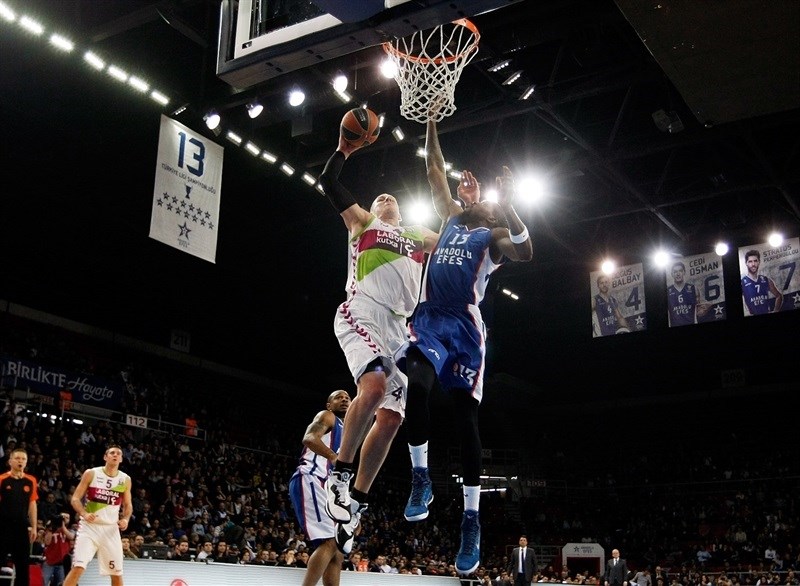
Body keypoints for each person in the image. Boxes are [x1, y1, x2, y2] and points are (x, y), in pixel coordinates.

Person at [399, 115, 533, 576]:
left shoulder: (492, 237)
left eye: (487, 203)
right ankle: (420, 476)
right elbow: (435, 168)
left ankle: (471, 518)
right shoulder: (453, 217)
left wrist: (511, 206)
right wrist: (433, 118)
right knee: (415, 385)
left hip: (466, 331)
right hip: (431, 319)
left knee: (464, 417)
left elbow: (526, 249)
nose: (475, 197)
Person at [317, 129, 439, 550]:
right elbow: (328, 184)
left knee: (391, 418)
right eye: (378, 197)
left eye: (391, 197)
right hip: (361, 311)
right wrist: (344, 149)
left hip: (400, 330)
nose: (385, 197)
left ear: (402, 209)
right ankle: (338, 474)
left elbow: (460, 245)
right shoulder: (362, 223)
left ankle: (356, 503)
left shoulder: (419, 235)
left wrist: (477, 214)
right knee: (371, 386)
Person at [288, 389, 351, 586]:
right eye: (338, 397)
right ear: (329, 405)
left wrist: (350, 507)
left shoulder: (349, 430)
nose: (344, 400)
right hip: (312, 477)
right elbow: (309, 438)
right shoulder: (327, 416)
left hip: (329, 487)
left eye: (348, 398)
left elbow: (343, 474)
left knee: (338, 551)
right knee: (329, 542)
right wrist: (333, 457)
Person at [63, 444, 133, 586]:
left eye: (118, 453)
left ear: (121, 459)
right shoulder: (91, 473)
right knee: (78, 567)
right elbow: (75, 499)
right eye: (112, 453)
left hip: (111, 530)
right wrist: (83, 513)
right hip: (89, 528)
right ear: (105, 457)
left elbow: (128, 505)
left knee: (117, 574)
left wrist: (125, 519)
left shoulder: (125, 479)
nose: (115, 455)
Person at [0, 447, 39, 586]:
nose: (20, 461)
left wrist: (34, 527)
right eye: (17, 458)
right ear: (10, 461)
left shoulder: (31, 480)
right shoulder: (2, 479)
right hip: (3, 527)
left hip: (21, 528)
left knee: (23, 567)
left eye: (23, 459)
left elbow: (32, 504)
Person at [741, 249, 783, 315]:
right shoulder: (742, 282)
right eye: (750, 261)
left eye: (755, 261)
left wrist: (776, 311)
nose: (753, 264)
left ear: (759, 262)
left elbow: (779, 296)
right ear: (746, 263)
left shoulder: (766, 280)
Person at [667, 261, 710, 326]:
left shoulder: (694, 289)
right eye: (675, 272)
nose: (678, 274)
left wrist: (704, 310)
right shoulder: (667, 291)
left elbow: (699, 311)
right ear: (672, 274)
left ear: (684, 272)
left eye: (680, 271)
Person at [43, 513, 75, 586]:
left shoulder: (70, 530)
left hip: (62, 564)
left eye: (67, 518)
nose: (65, 519)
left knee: (61, 584)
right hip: (49, 562)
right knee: (44, 582)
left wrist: (62, 526)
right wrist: (51, 528)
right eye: (64, 517)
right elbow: (47, 542)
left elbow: (71, 537)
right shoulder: (51, 529)